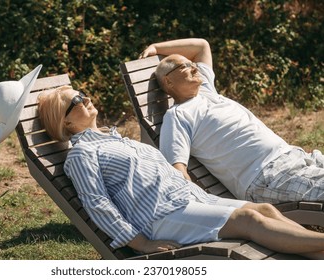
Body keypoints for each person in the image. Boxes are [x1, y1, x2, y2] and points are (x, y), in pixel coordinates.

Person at [36, 85, 324, 259]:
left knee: (265, 210)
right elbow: (97, 203)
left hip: (190, 201)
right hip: (160, 218)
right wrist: (141, 243)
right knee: (248, 218)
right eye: (76, 101)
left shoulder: (114, 139)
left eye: (83, 94)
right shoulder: (82, 154)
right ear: (66, 124)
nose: (85, 99)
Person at [139, 38, 324, 204]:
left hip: (295, 157)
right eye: (185, 66)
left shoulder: (206, 90)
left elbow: (201, 46)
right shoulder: (178, 116)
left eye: (191, 63)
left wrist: (155, 46)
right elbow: (177, 169)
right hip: (267, 177)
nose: (194, 66)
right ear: (168, 82)